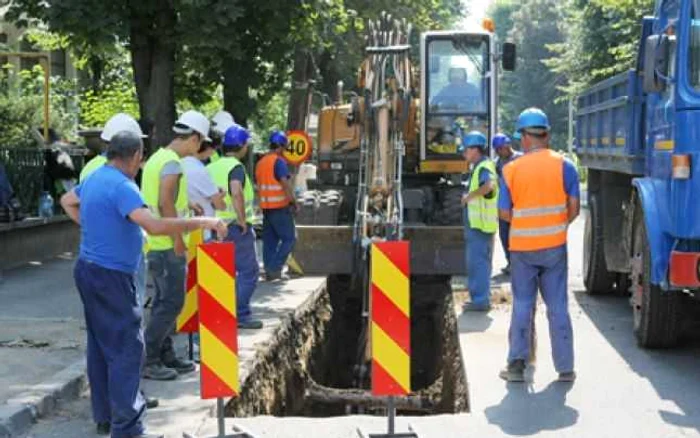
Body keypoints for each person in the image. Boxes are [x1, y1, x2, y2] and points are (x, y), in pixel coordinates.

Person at [60, 130, 227, 438]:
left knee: (99, 345)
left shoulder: (95, 177)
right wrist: (204, 222)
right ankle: (129, 428)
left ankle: (106, 416)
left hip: (87, 270)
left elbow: (67, 201)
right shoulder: (124, 187)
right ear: (136, 157)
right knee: (127, 349)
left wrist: (96, 226)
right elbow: (154, 224)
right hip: (112, 277)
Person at [498, 108, 580, 383]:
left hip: (522, 249)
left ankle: (517, 366)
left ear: (524, 137)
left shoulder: (511, 170)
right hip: (555, 247)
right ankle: (565, 368)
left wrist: (525, 223)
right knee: (557, 305)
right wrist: (557, 225)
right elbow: (574, 208)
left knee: (523, 303)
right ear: (546, 134)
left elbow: (504, 213)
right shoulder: (565, 165)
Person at [141, 110, 212, 380]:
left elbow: (167, 200)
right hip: (166, 245)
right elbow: (164, 202)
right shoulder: (172, 163)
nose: (199, 148)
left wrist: (188, 205)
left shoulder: (158, 158)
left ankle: (164, 354)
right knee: (171, 303)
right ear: (193, 138)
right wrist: (178, 239)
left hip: (156, 243)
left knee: (163, 302)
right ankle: (150, 359)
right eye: (200, 142)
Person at [207, 124, 263, 329]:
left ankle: (221, 314)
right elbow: (236, 191)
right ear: (242, 146)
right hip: (234, 226)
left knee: (222, 273)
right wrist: (241, 220)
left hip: (213, 226)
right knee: (248, 271)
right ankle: (240, 313)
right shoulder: (235, 167)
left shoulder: (211, 166)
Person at [460, 131, 498, 312]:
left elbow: (489, 186)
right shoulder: (479, 166)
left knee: (478, 264)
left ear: (475, 149)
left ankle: (480, 301)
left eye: (466, 150)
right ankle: (481, 298)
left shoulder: (484, 167)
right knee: (479, 263)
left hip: (480, 227)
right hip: (479, 226)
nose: (464, 154)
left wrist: (469, 197)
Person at [255, 131, 298, 282]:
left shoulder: (261, 163)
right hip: (280, 207)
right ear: (280, 146)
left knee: (270, 241)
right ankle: (275, 268)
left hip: (266, 208)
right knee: (289, 239)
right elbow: (285, 184)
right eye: (284, 147)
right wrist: (293, 201)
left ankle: (269, 271)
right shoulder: (278, 162)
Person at [492, 133, 523, 275]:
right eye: (498, 149)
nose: (500, 151)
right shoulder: (497, 163)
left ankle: (520, 264)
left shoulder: (520, 159)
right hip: (505, 204)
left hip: (520, 203)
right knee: (504, 235)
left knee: (518, 236)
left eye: (502, 148)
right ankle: (510, 262)